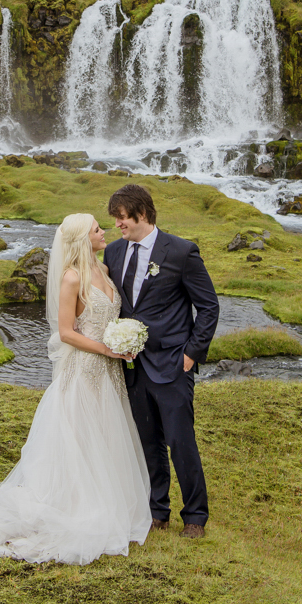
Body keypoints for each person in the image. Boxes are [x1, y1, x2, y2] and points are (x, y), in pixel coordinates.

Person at [0, 213, 152, 564]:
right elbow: (66, 333)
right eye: (97, 229)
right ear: (82, 239)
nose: (104, 231)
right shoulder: (71, 278)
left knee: (107, 432)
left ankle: (112, 501)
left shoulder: (104, 269)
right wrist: (108, 349)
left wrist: (124, 341)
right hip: (84, 370)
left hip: (109, 372)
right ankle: (77, 506)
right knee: (82, 436)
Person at [103, 183, 219, 539]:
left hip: (173, 364)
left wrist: (191, 353)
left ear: (142, 213)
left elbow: (208, 306)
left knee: (181, 442)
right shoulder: (113, 253)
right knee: (147, 441)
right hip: (132, 366)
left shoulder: (181, 252)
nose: (117, 225)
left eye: (122, 218)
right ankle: (157, 511)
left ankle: (195, 517)